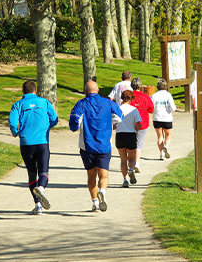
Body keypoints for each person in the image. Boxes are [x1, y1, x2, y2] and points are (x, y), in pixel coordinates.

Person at [70, 81, 124, 212]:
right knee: (103, 174)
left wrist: (76, 127)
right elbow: (120, 116)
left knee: (91, 175)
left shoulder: (81, 104)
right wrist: (112, 122)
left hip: (86, 146)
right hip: (104, 145)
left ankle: (95, 203)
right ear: (98, 90)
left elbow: (74, 123)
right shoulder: (109, 103)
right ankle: (102, 192)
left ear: (85, 91)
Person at [9, 80, 59, 215]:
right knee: (44, 172)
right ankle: (42, 188)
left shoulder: (17, 105)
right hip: (42, 142)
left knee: (32, 174)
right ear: (35, 90)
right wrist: (47, 128)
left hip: (26, 144)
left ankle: (38, 206)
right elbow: (55, 118)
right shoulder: (44, 102)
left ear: (23, 92)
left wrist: (15, 133)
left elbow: (13, 122)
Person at [115, 90, 142, 188]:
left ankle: (125, 179)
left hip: (120, 136)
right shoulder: (134, 109)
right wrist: (136, 131)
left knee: (123, 160)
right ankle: (131, 169)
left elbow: (113, 125)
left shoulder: (117, 108)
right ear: (131, 98)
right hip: (130, 135)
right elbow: (138, 124)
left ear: (122, 98)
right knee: (131, 158)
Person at [129, 77, 154, 173]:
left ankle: (131, 164)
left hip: (130, 124)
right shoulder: (146, 98)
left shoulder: (128, 96)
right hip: (142, 123)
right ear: (140, 86)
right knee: (139, 143)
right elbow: (151, 109)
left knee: (131, 145)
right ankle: (137, 163)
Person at [151, 78, 176, 160]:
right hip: (167, 118)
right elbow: (173, 108)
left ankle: (161, 154)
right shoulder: (168, 95)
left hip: (157, 118)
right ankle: (166, 147)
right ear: (166, 87)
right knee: (168, 135)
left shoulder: (153, 96)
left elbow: (151, 108)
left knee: (160, 136)